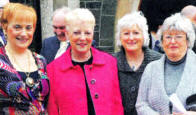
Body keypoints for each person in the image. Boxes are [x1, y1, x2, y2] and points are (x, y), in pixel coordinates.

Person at [47, 8, 124, 115]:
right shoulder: (53, 69)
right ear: (68, 34)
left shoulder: (109, 63)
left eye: (87, 33)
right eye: (77, 32)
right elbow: (53, 110)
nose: (82, 38)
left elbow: (117, 105)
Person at [136, 13, 196, 115]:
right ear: (162, 41)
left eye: (178, 36)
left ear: (188, 41)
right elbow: (141, 104)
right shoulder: (151, 68)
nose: (172, 41)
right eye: (168, 37)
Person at [0, 3, 49, 114]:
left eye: (28, 28)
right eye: (17, 27)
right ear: (5, 26)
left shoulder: (41, 60)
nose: (24, 33)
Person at [113, 11, 161, 115]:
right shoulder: (110, 62)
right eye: (126, 33)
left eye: (136, 33)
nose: (131, 38)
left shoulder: (159, 61)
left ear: (144, 35)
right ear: (120, 37)